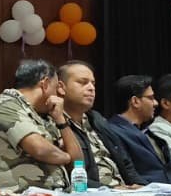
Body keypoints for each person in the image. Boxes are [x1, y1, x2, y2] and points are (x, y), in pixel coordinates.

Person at [0, 58, 83, 190]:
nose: (59, 95)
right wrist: (67, 157)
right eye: (56, 88)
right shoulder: (4, 104)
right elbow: (39, 149)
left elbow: (78, 163)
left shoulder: (48, 115)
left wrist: (61, 121)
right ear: (45, 84)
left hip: (54, 195)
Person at [57, 60, 142, 188]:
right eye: (83, 82)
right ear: (61, 87)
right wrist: (111, 190)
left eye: (93, 83)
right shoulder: (56, 123)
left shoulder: (97, 119)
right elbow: (68, 175)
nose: (91, 88)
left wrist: (140, 186)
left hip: (123, 191)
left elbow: (125, 161)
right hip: (91, 194)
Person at [107, 75, 171, 185]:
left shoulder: (147, 131)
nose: (156, 103)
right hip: (148, 192)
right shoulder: (113, 131)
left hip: (170, 190)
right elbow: (130, 174)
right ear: (135, 101)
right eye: (151, 98)